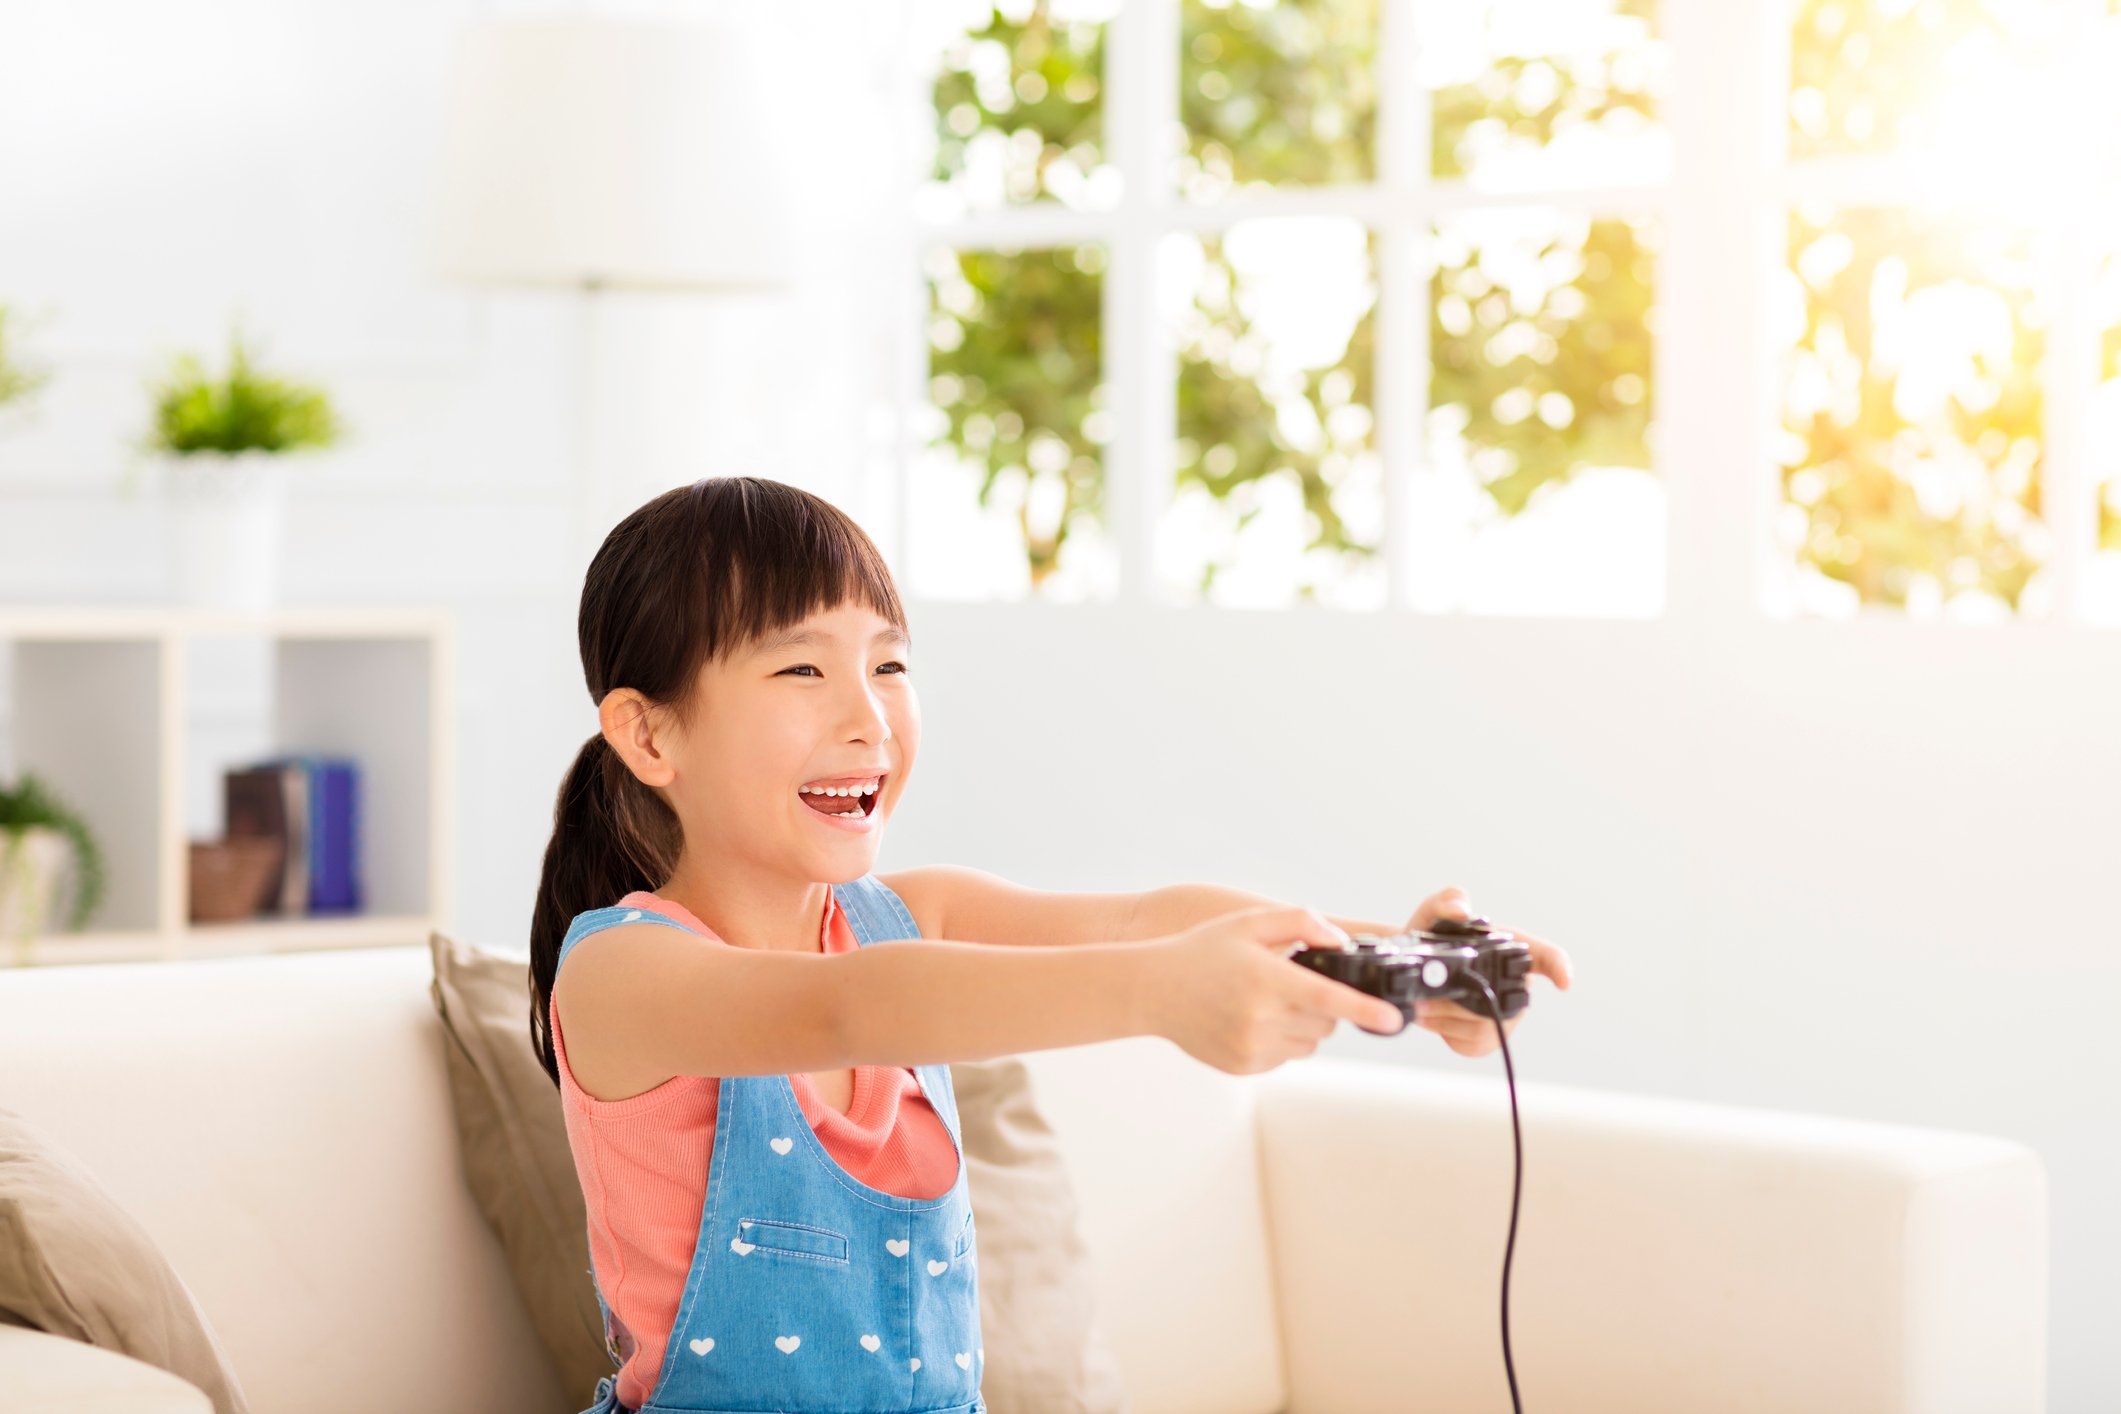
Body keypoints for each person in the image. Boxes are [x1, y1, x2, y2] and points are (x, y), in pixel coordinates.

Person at [528, 476, 1574, 1414]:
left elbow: (1142, 918)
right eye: (802, 667)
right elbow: (848, 1007)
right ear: (649, 733)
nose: (870, 717)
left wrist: (1391, 957)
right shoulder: (622, 969)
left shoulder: (911, 912)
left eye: (889, 663)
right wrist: (1161, 994)